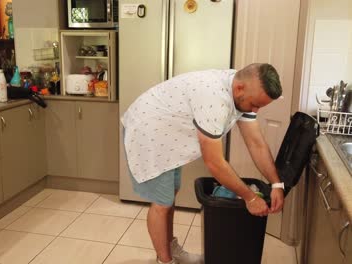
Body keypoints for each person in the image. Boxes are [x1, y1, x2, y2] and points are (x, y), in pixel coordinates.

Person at [121, 63, 285, 264]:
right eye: (254, 105)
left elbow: (256, 143)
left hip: (168, 133)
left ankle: (172, 251)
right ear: (240, 88)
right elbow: (214, 163)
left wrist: (276, 183)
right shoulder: (214, 100)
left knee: (170, 194)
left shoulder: (242, 91)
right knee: (161, 203)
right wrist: (250, 198)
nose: (256, 110)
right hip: (149, 131)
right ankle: (165, 261)